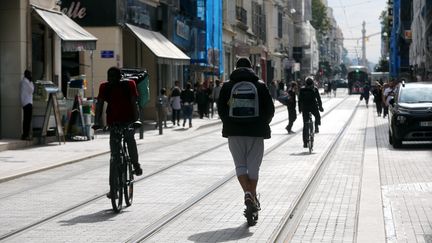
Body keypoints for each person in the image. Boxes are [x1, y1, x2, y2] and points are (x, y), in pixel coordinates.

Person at [217, 57, 275, 220]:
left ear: (235, 68)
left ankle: (248, 194)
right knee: (253, 168)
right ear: (252, 68)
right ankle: (252, 196)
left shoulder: (227, 86)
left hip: (234, 132)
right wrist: (262, 122)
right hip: (256, 132)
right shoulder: (260, 85)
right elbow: (270, 109)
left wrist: (229, 122)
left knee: (240, 165)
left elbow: (221, 108)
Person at [94, 67, 142, 181]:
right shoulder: (104, 87)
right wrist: (96, 122)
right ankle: (114, 187)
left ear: (120, 77)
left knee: (130, 138)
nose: (110, 79)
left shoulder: (129, 84)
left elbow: (134, 103)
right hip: (113, 121)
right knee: (114, 153)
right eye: (109, 76)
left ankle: (135, 164)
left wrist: (136, 120)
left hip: (129, 120)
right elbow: (99, 105)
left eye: (113, 76)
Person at [298, 77, 324, 148]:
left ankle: (305, 143)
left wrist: (300, 109)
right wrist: (320, 107)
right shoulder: (314, 89)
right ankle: (316, 127)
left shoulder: (302, 89)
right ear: (312, 82)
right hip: (313, 107)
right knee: (317, 116)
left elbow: (300, 100)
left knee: (305, 125)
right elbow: (318, 99)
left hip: (305, 108)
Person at [20, 70, 34, 140]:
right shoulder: (26, 82)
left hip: (26, 102)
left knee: (27, 120)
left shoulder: (25, 82)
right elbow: (32, 90)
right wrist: (31, 82)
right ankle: (25, 135)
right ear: (27, 75)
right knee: (27, 120)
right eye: (30, 74)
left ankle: (26, 135)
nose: (31, 76)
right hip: (27, 103)